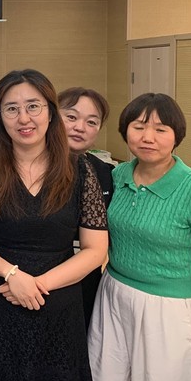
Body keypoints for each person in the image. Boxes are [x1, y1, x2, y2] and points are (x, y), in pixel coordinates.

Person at [0, 69, 108, 381]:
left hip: (59, 304)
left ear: (51, 113)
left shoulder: (80, 170)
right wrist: (13, 275)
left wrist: (37, 285)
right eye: (11, 109)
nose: (23, 118)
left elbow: (95, 250)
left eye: (33, 106)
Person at [88, 93, 191, 381]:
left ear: (177, 136)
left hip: (168, 309)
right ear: (125, 131)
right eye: (138, 127)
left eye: (161, 130)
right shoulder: (118, 175)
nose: (148, 137)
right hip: (112, 294)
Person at [57, 87, 114, 327]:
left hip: (86, 281)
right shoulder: (28, 168)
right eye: (71, 117)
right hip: (31, 279)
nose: (80, 127)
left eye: (91, 122)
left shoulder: (105, 172)